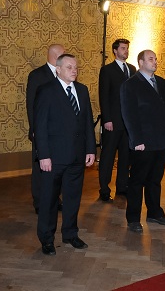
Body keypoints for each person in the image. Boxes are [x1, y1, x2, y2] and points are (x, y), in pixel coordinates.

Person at [34, 54, 96, 255]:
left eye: (76, 67)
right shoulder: (46, 90)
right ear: (58, 69)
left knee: (73, 198)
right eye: (69, 67)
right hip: (53, 157)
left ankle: (70, 234)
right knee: (49, 200)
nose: (74, 70)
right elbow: (40, 125)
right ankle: (47, 238)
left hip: (77, 156)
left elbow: (87, 123)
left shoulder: (82, 90)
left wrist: (90, 149)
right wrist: (43, 155)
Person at [120, 50, 165, 233]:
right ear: (141, 62)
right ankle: (133, 218)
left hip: (161, 140)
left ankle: (154, 213)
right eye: (151, 59)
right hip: (143, 142)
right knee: (137, 181)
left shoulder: (161, 82)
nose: (155, 62)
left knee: (155, 180)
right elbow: (129, 114)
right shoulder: (130, 85)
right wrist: (136, 139)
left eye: (156, 59)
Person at [26, 44, 65, 213]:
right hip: (42, 130)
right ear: (55, 56)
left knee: (57, 167)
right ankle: (40, 201)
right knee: (39, 168)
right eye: (63, 54)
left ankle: (55, 198)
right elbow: (31, 104)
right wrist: (35, 128)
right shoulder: (37, 75)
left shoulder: (64, 74)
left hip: (60, 132)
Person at [98, 39, 135, 202]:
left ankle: (122, 186)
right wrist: (107, 119)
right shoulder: (107, 70)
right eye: (123, 48)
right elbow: (104, 96)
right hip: (112, 122)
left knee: (126, 157)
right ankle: (104, 189)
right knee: (108, 157)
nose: (126, 51)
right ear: (115, 51)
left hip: (128, 123)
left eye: (127, 48)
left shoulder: (132, 69)